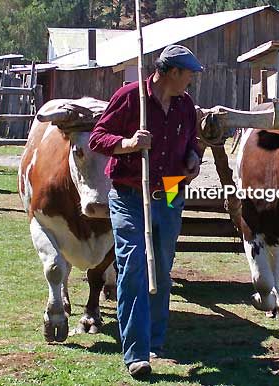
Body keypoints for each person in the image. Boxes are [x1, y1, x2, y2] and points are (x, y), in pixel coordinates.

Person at [89, 44, 203, 379]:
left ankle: (156, 339)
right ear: (170, 72)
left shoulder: (184, 104)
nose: (191, 81)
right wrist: (127, 144)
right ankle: (136, 352)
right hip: (129, 191)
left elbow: (193, 141)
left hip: (169, 190)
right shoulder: (130, 97)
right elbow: (98, 137)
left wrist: (194, 159)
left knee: (163, 266)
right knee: (134, 264)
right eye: (188, 74)